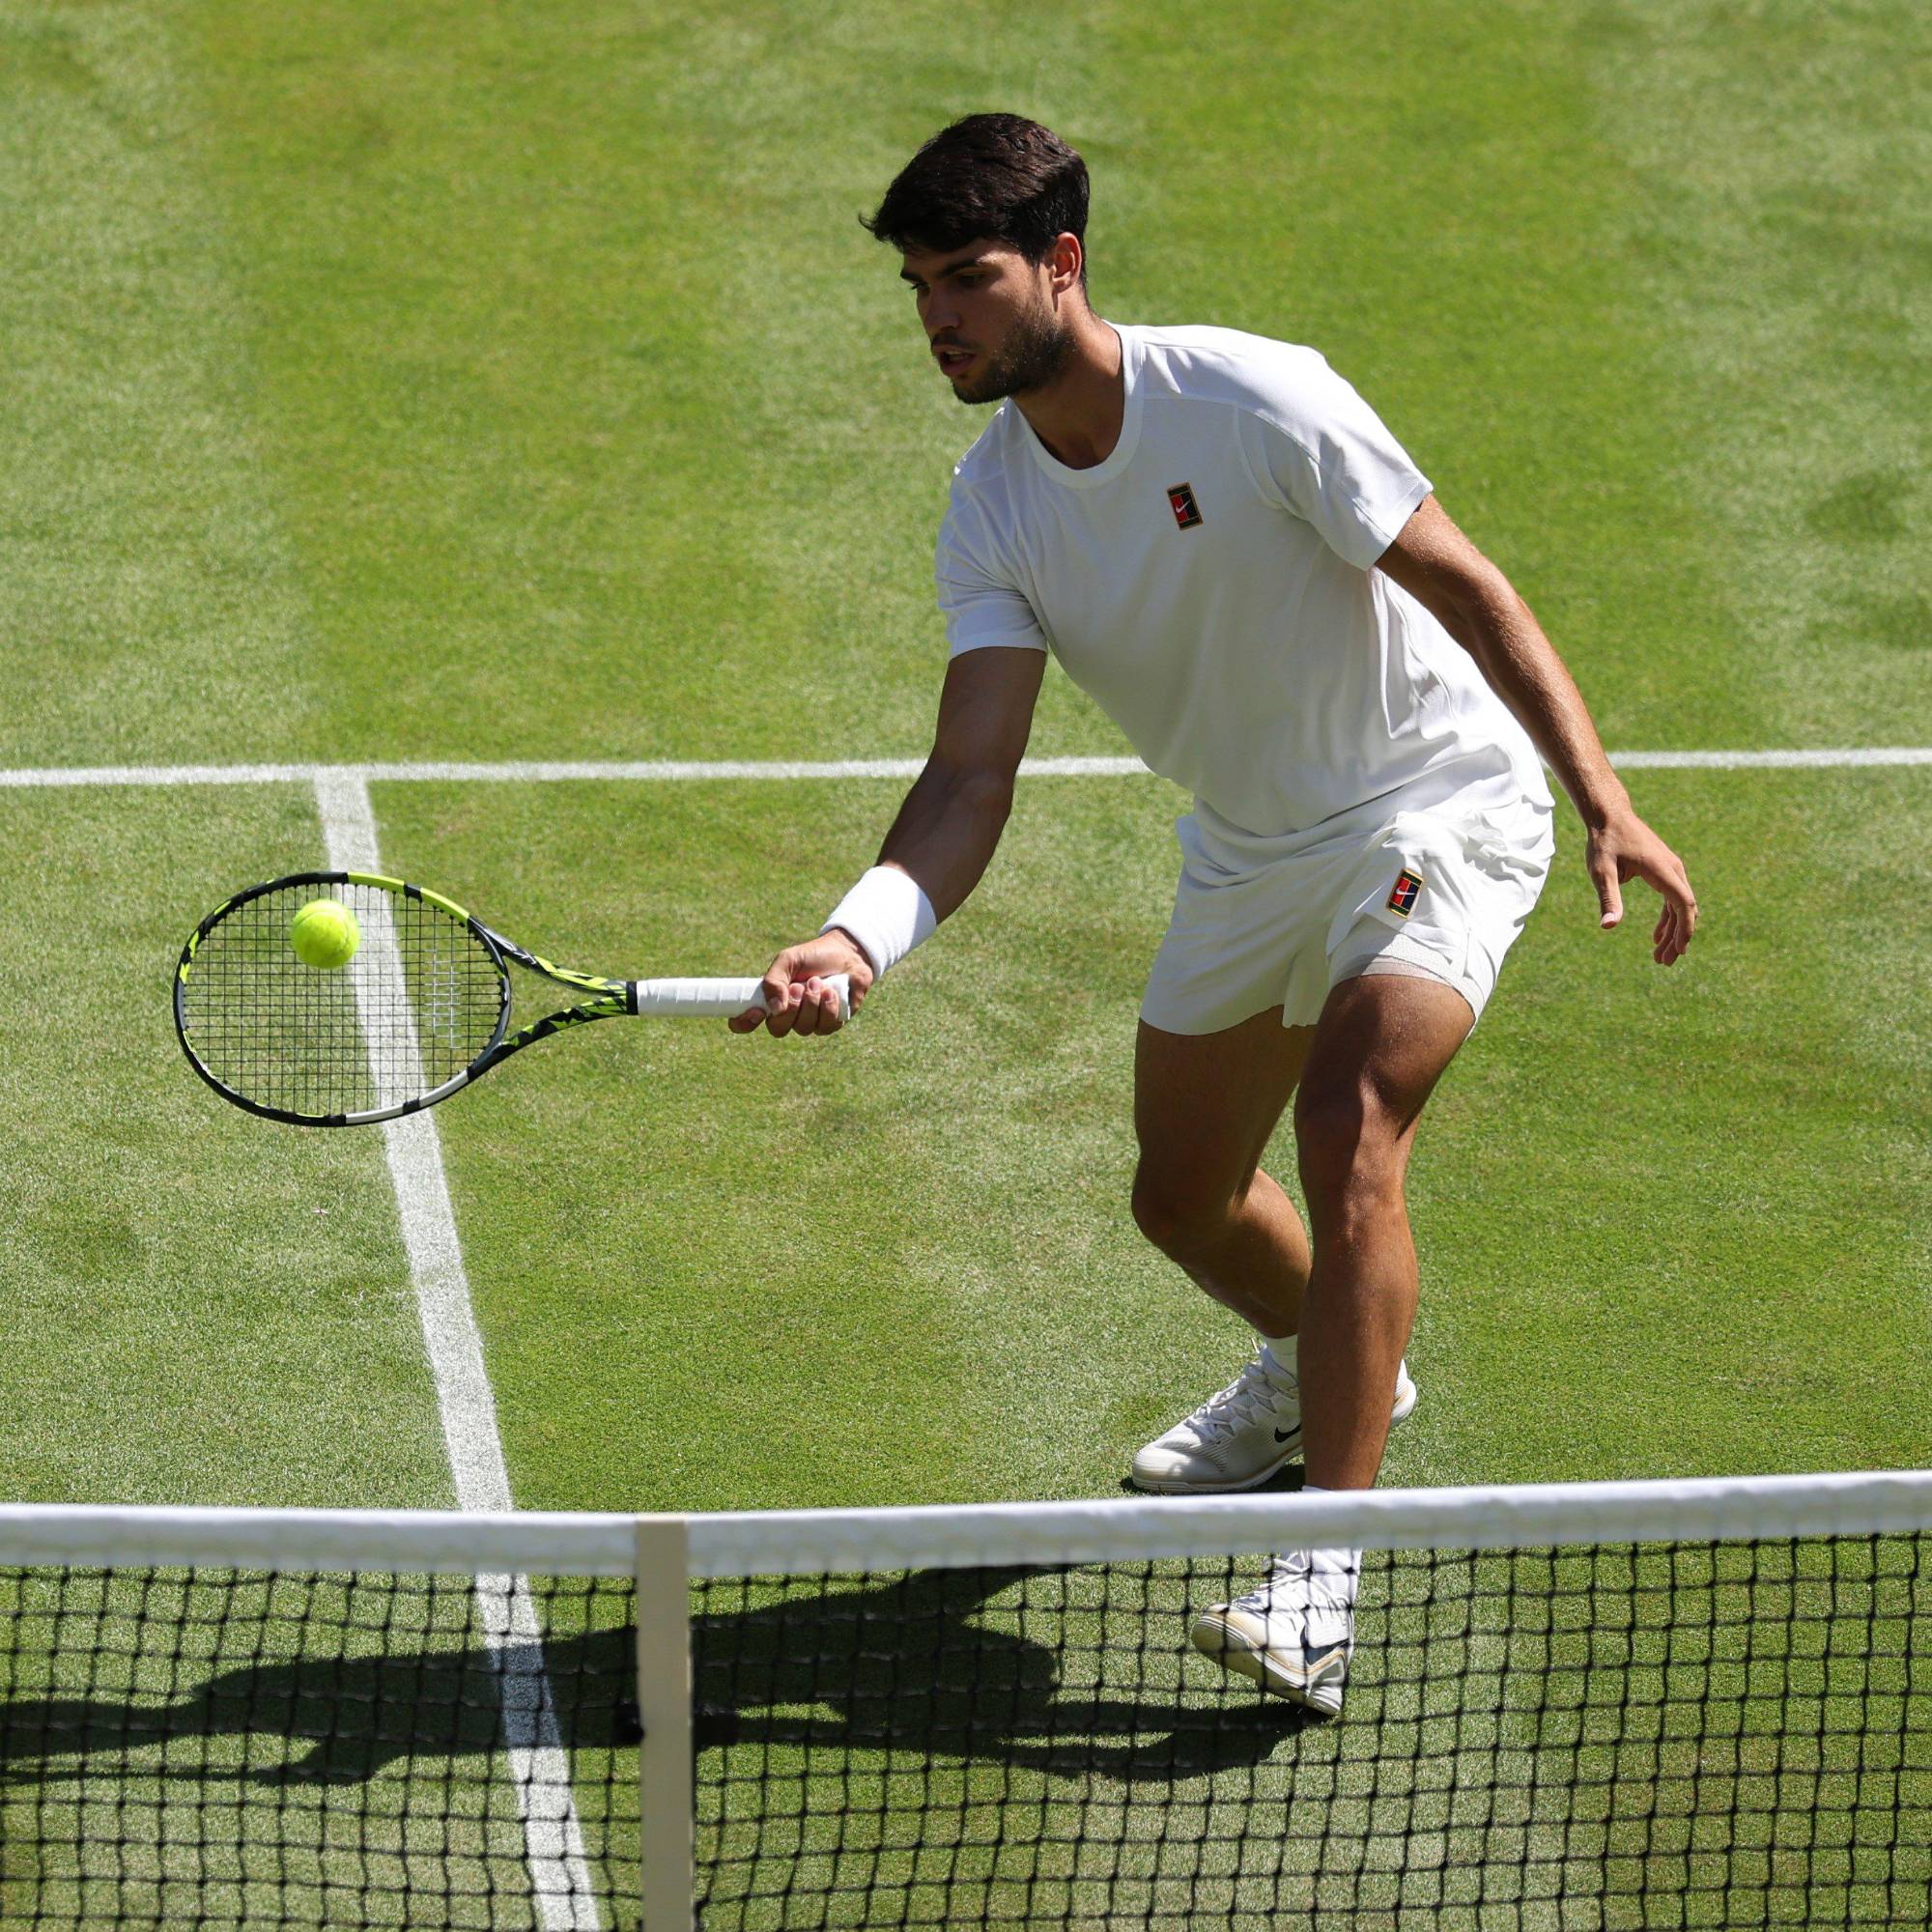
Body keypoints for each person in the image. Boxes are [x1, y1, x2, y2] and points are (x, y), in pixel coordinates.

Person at [730, 114, 1697, 1715]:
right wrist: (855, 936)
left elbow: (1466, 581)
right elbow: (972, 776)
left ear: (1062, 263)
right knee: (1181, 1198)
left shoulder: (1255, 398)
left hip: (1432, 801)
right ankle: (1316, 1364)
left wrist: (1598, 791)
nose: (937, 321)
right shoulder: (993, 509)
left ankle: (1323, 1571)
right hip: (1251, 847)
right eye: (916, 288)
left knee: (1351, 1124)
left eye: (965, 278)